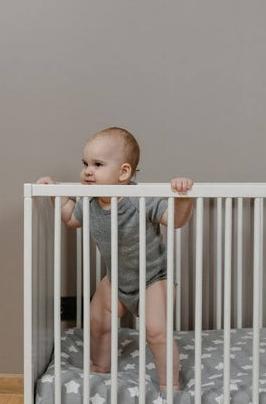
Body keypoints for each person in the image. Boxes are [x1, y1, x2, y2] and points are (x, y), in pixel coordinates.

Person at [37, 127, 193, 390]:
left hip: (154, 279)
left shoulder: (139, 200)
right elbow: (71, 218)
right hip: (117, 279)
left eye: (97, 164)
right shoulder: (89, 202)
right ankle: (100, 365)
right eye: (85, 163)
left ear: (123, 172)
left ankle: (170, 385)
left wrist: (183, 198)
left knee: (156, 332)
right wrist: (56, 194)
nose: (87, 171)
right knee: (97, 320)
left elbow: (175, 220)